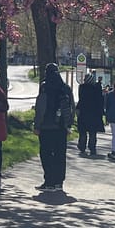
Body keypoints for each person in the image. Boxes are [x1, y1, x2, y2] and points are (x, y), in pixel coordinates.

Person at [33, 62, 75, 191]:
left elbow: (41, 108)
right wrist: (69, 124)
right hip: (61, 127)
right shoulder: (65, 88)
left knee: (46, 154)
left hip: (46, 127)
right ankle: (59, 182)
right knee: (60, 154)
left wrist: (37, 125)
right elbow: (71, 107)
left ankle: (49, 181)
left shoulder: (45, 87)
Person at [76, 73, 104, 156]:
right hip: (94, 113)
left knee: (83, 132)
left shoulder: (82, 87)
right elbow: (100, 99)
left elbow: (81, 98)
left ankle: (82, 146)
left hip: (83, 112)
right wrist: (99, 83)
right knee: (92, 132)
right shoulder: (96, 88)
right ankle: (92, 148)